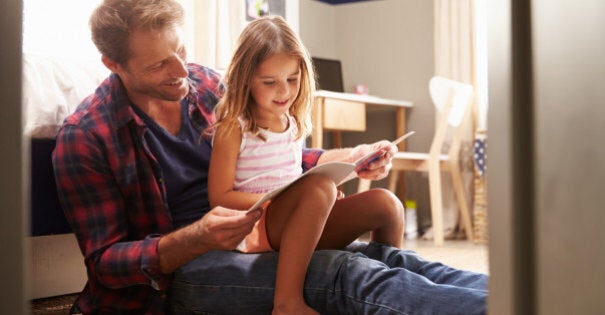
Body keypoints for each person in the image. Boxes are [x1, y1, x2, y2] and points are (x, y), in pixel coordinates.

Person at [52, 0, 488, 314]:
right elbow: (105, 263)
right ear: (114, 65)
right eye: (159, 65)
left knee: (389, 258)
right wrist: (196, 237)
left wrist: (349, 158)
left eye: (181, 52)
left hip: (265, 223)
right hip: (184, 271)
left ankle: (534, 297)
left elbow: (273, 158)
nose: (181, 71)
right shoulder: (86, 138)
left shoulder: (206, 85)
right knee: (347, 273)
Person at [207, 16, 404, 315]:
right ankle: (287, 302)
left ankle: (385, 286)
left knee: (386, 204)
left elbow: (297, 174)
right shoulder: (234, 127)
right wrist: (288, 197)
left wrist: (357, 162)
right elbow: (219, 199)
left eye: (293, 78)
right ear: (245, 79)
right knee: (319, 187)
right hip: (258, 226)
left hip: (298, 221)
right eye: (270, 82)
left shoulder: (293, 121)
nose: (284, 91)